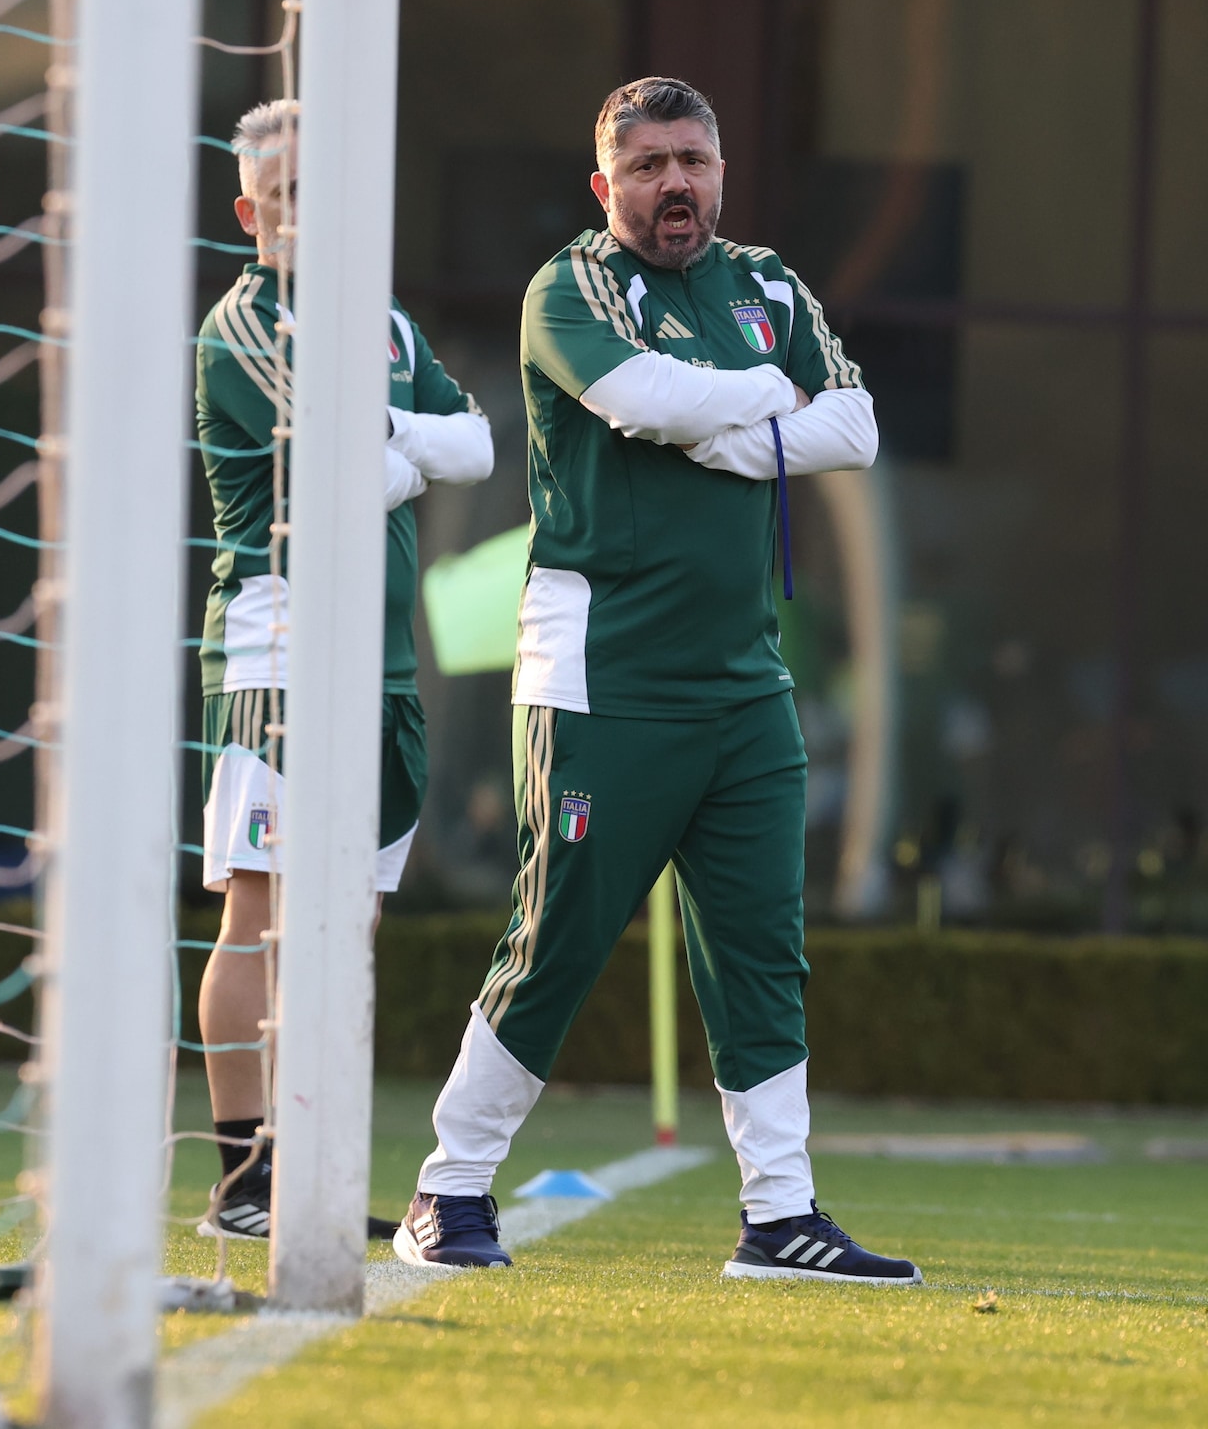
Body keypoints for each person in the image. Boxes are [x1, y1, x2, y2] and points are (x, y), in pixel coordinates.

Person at [393, 77, 919, 1285]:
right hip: (600, 674)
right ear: (605, 185)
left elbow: (856, 429)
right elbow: (637, 398)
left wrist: (722, 423)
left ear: (722, 172)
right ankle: (448, 1188)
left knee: (760, 949)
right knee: (558, 937)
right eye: (646, 165)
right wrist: (763, 406)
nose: (673, 183)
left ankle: (780, 1216)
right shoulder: (569, 287)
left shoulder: (769, 285)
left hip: (745, 683)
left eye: (692, 160)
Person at [194, 99, 493, 1241]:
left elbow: (472, 445)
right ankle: (243, 1181)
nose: (314, 217)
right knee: (263, 920)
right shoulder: (246, 327)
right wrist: (410, 445)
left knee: (349, 929)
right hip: (280, 654)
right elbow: (347, 476)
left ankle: (308, 1170)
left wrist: (401, 439)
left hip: (381, 660)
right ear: (252, 213)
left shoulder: (380, 322)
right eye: (291, 197)